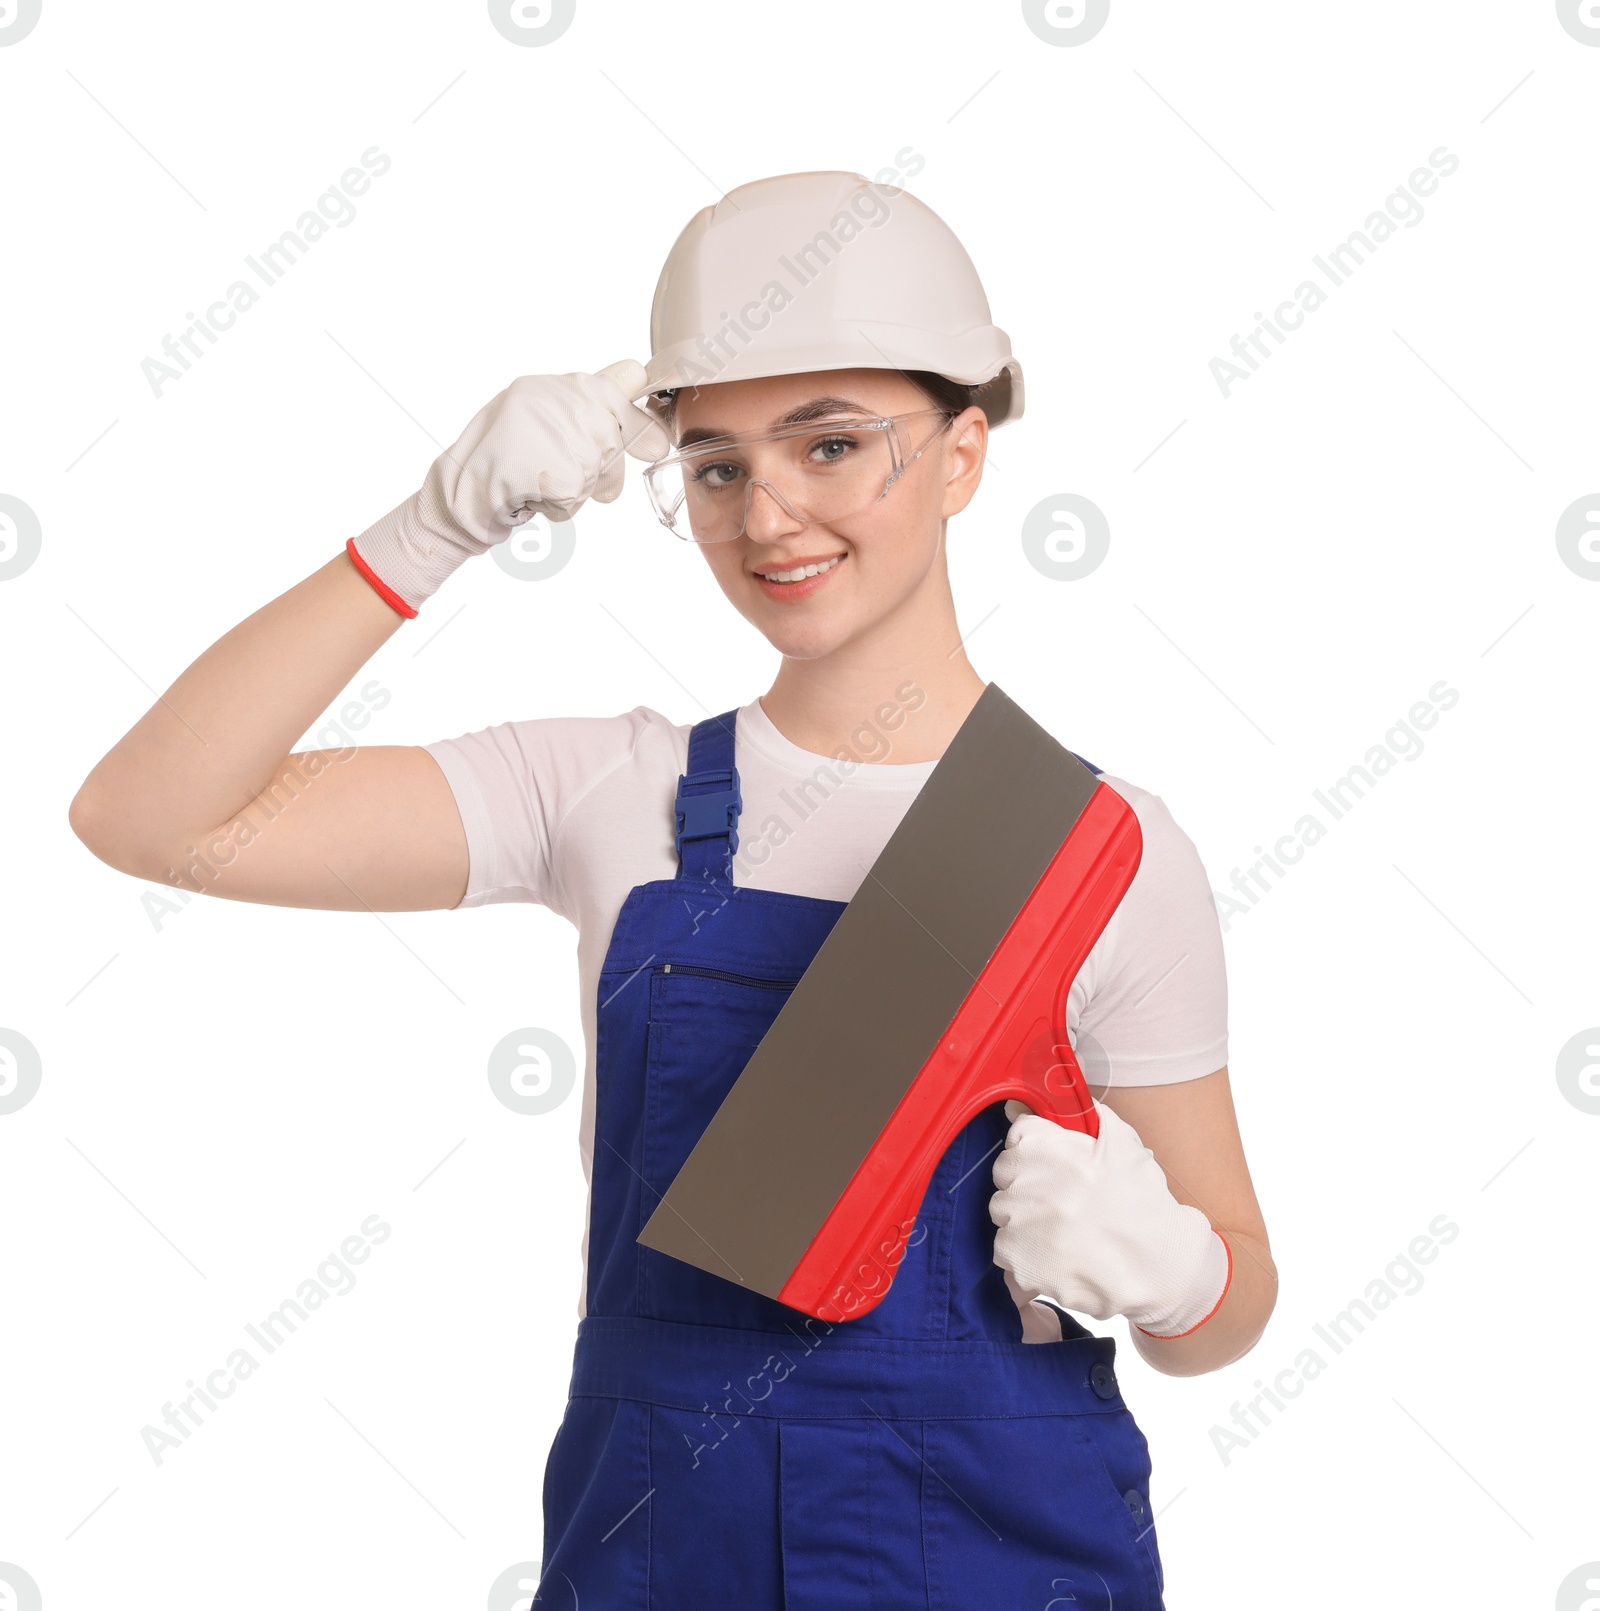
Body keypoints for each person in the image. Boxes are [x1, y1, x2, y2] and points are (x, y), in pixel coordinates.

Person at [69, 170, 1276, 1608]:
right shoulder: (603, 794)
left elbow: (1228, 1310)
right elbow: (149, 816)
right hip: (660, 1549)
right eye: (716, 466)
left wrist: (1175, 1274)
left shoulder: (1101, 847)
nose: (769, 517)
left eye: (832, 445)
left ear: (964, 453)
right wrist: (431, 524)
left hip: (1004, 1548)